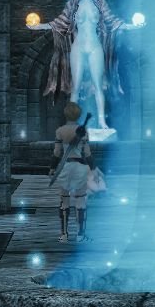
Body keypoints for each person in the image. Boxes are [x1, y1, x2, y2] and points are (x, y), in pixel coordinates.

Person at [28, 0, 144, 131]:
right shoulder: (73, 3)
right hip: (78, 47)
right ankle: (71, 123)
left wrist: (131, 26)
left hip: (95, 46)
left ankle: (102, 122)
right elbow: (60, 22)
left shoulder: (100, 2)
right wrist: (39, 26)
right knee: (75, 87)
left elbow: (111, 21)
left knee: (98, 86)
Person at [53, 102, 92, 242]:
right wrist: (93, 168)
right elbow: (87, 153)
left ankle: (64, 235)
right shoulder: (83, 131)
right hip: (80, 167)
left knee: (64, 201)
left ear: (66, 114)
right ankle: (80, 235)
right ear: (78, 115)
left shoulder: (60, 131)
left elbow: (57, 153)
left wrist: (52, 168)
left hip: (65, 167)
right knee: (80, 200)